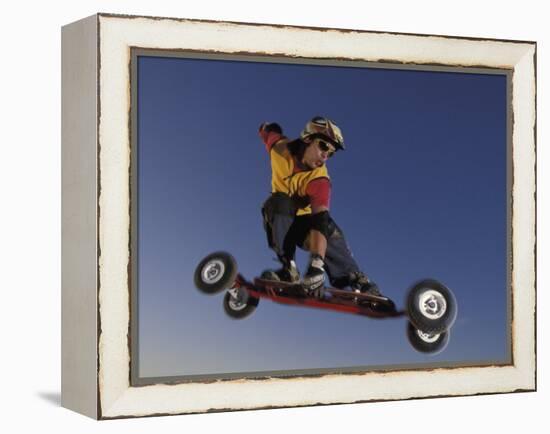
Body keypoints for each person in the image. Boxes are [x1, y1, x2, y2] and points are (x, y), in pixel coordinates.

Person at [259, 116, 385, 299]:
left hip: (306, 228)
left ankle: (352, 277)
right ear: (308, 138)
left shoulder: (320, 181)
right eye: (324, 147)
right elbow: (269, 132)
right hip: (281, 222)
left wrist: (316, 265)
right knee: (278, 201)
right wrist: (266, 126)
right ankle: (288, 271)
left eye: (331, 153)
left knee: (328, 229)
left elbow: (320, 220)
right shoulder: (279, 148)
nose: (326, 156)